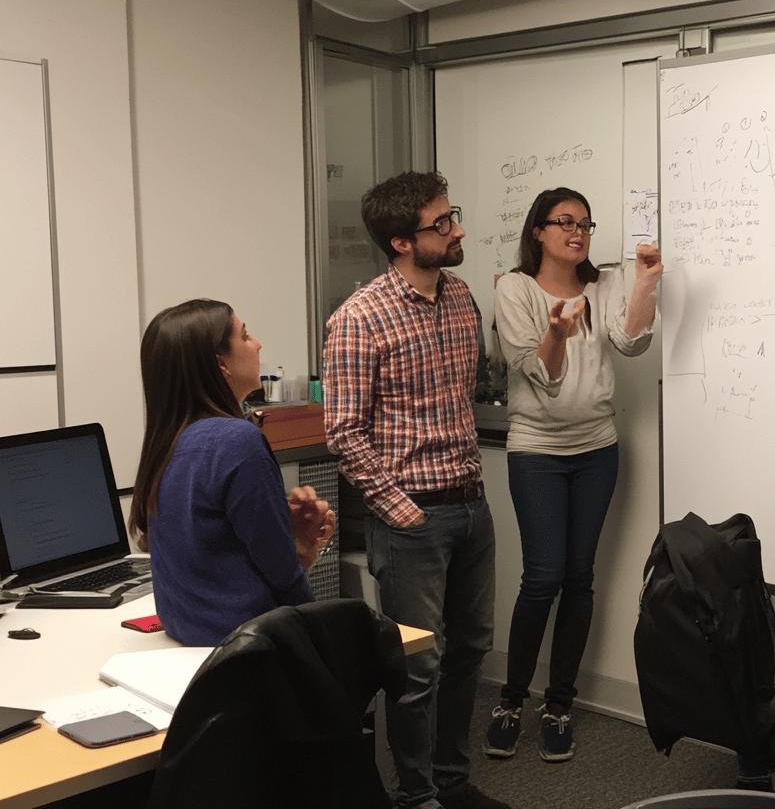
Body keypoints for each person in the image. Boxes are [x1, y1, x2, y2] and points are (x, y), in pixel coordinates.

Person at [323, 172, 505, 809]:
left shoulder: (460, 299)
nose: (456, 230)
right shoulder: (358, 318)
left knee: (469, 653)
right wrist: (403, 512)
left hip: (470, 505)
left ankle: (454, 783)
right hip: (411, 520)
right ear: (401, 242)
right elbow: (344, 433)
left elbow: (467, 394)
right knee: (416, 666)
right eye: (441, 223)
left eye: (452, 215)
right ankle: (416, 796)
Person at [482, 187, 661, 762]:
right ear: (538, 231)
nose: (577, 231)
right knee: (542, 578)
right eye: (563, 221)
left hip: (597, 450)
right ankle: (511, 699)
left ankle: (559, 703)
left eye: (584, 222)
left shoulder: (603, 283)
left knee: (579, 577)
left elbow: (631, 343)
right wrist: (557, 332)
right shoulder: (514, 290)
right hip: (535, 449)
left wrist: (646, 281)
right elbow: (541, 376)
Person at [128, 299, 334, 646]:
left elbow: (216, 552)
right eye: (245, 335)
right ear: (220, 364)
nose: (258, 344)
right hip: (249, 649)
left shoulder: (169, 443)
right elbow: (283, 576)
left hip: (193, 644)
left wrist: (291, 538)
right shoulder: (237, 441)